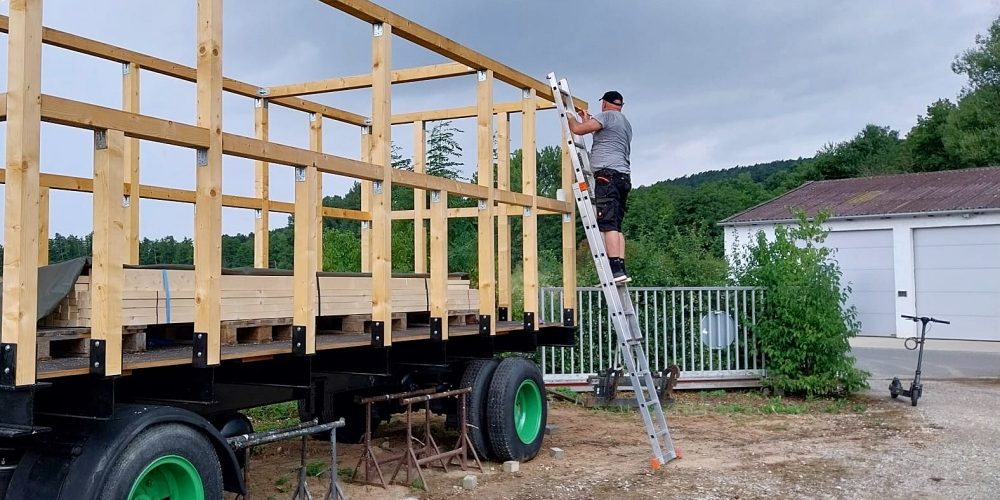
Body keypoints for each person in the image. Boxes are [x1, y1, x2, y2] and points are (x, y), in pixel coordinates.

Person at [567, 90, 633, 283]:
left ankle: (614, 270)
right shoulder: (624, 122)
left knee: (607, 225)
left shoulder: (607, 116)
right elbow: (600, 133)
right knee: (616, 226)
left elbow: (578, 130)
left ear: (604, 103)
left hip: (607, 176)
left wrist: (570, 118)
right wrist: (587, 119)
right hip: (623, 178)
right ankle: (619, 266)